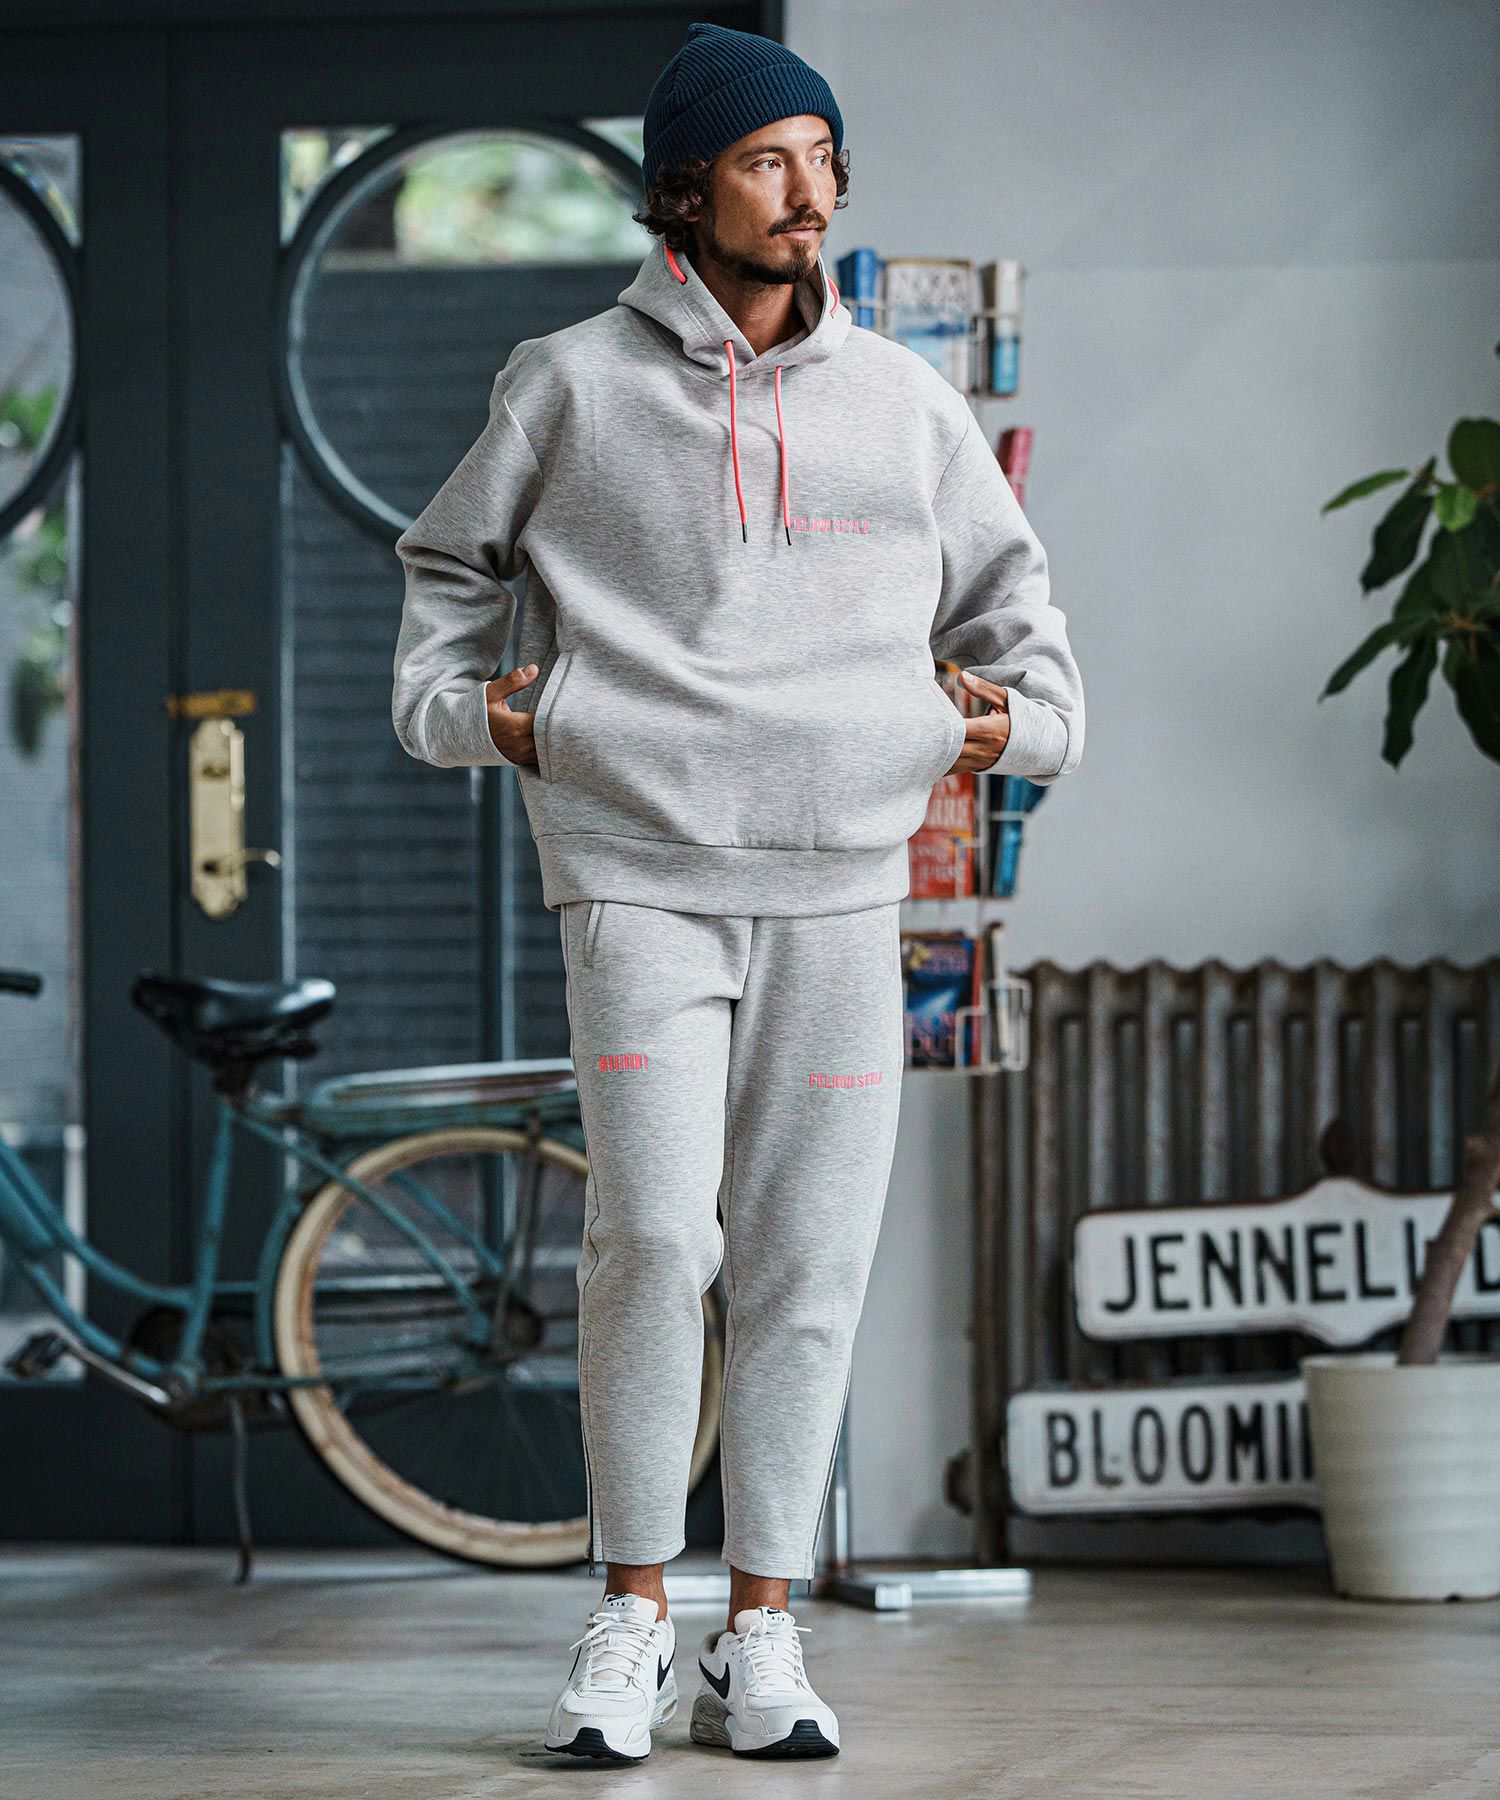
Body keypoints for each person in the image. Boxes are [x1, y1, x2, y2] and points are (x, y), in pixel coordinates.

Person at [390, 19, 1085, 1765]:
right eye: (771, 160)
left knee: (808, 1260)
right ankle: (633, 1614)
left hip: (845, 891)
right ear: (688, 187)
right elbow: (445, 572)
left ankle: (758, 1632)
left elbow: (1017, 609)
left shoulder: (904, 402)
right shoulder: (566, 384)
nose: (810, 191)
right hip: (635, 878)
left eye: (824, 157)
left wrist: (1014, 724)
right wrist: (488, 715)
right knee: (652, 1238)